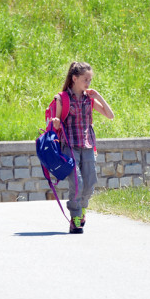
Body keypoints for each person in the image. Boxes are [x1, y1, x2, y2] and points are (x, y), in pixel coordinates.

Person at [51, 62, 114, 234]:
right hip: (69, 146)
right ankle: (75, 217)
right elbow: (55, 124)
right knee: (77, 182)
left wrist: (98, 96)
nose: (88, 83)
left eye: (90, 80)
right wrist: (55, 123)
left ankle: (82, 208)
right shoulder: (62, 98)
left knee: (90, 182)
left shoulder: (89, 99)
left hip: (87, 145)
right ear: (74, 78)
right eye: (85, 79)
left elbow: (110, 115)